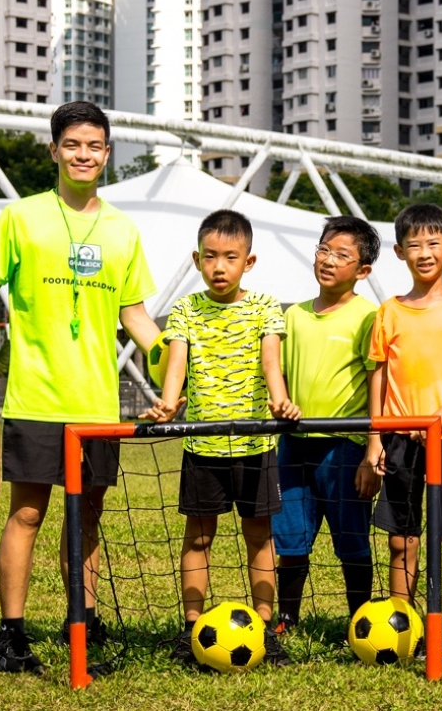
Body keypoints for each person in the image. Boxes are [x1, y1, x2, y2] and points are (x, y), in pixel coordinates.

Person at [0, 101, 161, 674]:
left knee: (90, 515)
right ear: (54, 151)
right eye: (72, 144)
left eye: (95, 146)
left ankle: (85, 616)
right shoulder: (21, 218)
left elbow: (137, 317)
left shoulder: (124, 229)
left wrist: (176, 354)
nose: (84, 155)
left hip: (98, 404)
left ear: (107, 153)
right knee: (27, 514)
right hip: (35, 397)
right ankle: (11, 633)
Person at [142, 209, 300, 667]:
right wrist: (169, 403)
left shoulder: (266, 306)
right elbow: (177, 365)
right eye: (210, 256)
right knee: (198, 540)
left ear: (248, 261)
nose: (219, 266)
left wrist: (280, 401)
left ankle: (265, 629)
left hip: (255, 446)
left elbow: (271, 360)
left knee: (259, 537)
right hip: (202, 447)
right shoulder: (186, 310)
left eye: (230, 257)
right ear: (196, 258)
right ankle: (192, 629)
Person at [366, 203, 442, 663]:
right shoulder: (388, 312)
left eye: (433, 242)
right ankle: (405, 629)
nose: (424, 251)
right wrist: (376, 438)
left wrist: (437, 417)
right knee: (403, 538)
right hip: (397, 441)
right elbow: (378, 377)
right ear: (399, 252)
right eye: (414, 244)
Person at [272, 216, 381, 634]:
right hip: (294, 446)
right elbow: (276, 371)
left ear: (363, 270)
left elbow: (377, 382)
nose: (328, 260)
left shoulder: (369, 317)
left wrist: (373, 447)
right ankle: (286, 619)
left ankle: (361, 622)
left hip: (345, 447)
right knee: (291, 539)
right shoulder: (293, 316)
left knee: (351, 538)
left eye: (342, 255)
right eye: (323, 250)